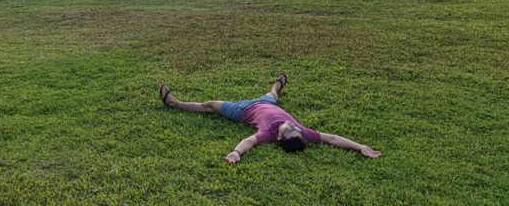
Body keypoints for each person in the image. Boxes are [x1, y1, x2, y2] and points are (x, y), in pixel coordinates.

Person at [159, 73, 382, 164]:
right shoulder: (302, 133)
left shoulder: (267, 133)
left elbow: (248, 141)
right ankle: (278, 84)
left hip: (243, 110)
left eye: (288, 128)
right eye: (294, 127)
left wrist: (236, 152)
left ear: (279, 137)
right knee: (273, 93)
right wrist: (359, 146)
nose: (291, 124)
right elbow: (332, 138)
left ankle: (173, 103)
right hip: (267, 102)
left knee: (210, 105)